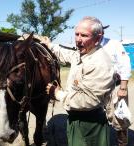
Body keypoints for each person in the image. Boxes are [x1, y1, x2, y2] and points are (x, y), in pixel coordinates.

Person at [46, 16, 116, 146]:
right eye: (76, 34)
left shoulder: (100, 63)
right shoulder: (84, 53)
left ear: (98, 38)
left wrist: (57, 93)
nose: (78, 39)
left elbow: (88, 100)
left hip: (90, 123)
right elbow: (68, 55)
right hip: (76, 119)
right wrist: (50, 45)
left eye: (84, 35)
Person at [101, 27, 131, 146]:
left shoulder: (114, 44)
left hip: (115, 87)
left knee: (120, 118)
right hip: (96, 88)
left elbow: (125, 64)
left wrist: (123, 88)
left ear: (101, 32)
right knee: (98, 118)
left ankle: (122, 144)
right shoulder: (89, 45)